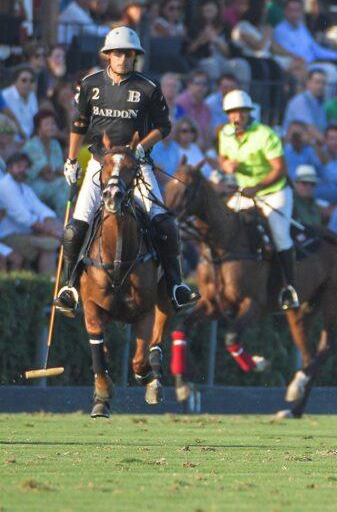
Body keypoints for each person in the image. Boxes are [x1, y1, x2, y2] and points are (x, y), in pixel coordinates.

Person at [54, 27, 197, 316]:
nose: (122, 58)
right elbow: (79, 124)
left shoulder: (148, 87)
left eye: (128, 54)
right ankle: (69, 287)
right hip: (100, 164)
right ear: (108, 55)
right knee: (74, 228)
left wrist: (142, 147)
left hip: (137, 164)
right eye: (117, 53)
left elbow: (164, 126)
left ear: (135, 56)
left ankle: (175, 286)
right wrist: (71, 161)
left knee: (164, 222)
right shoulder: (91, 84)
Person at [218, 89, 300, 311]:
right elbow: (223, 157)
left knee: (280, 236)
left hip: (273, 191)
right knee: (221, 223)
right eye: (233, 113)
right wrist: (225, 165)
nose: (237, 117)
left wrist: (257, 187)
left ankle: (289, 289)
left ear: (249, 112)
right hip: (245, 192)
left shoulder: (266, 134)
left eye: (242, 112)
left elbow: (280, 170)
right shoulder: (224, 133)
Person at [0, 152, 62, 274]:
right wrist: (52, 232)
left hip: (25, 234)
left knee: (53, 241)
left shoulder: (23, 187)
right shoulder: (4, 185)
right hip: (7, 237)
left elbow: (41, 209)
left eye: (25, 166)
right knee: (50, 244)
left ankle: (48, 285)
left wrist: (52, 223)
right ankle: (48, 285)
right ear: (10, 167)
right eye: (19, 166)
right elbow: (24, 217)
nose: (23, 170)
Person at [22, 111, 68, 212]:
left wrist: (56, 171)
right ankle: (64, 221)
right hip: (33, 185)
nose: (51, 127)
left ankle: (65, 221)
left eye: (52, 123)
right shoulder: (31, 146)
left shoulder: (55, 144)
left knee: (67, 185)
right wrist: (56, 172)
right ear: (38, 128)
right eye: (46, 124)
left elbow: (60, 170)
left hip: (53, 182)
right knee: (64, 185)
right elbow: (46, 173)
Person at [283, 68, 328, 136]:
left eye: (323, 83)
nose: (320, 86)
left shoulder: (319, 102)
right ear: (308, 83)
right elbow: (310, 130)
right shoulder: (299, 101)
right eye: (317, 82)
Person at [1, 67, 39, 141]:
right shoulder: (5, 96)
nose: (28, 83)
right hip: (12, 141)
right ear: (15, 82)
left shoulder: (32, 95)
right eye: (24, 80)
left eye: (31, 81)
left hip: (31, 139)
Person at [292, 164, 326, 229]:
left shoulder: (314, 204)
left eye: (312, 184)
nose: (309, 187)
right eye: (304, 183)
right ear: (295, 183)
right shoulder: (289, 202)